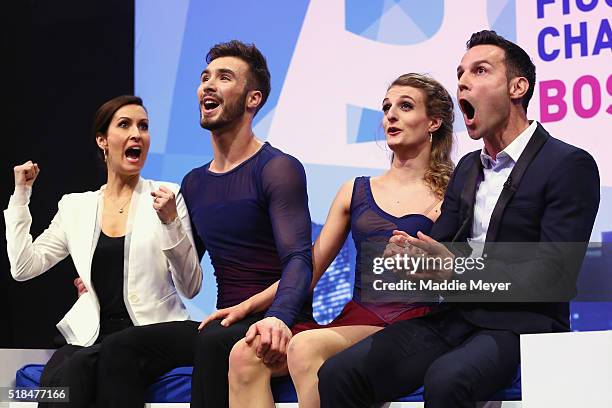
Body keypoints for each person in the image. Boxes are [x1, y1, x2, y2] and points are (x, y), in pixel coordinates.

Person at [316, 30, 600, 407]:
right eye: (460, 73)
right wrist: (413, 258)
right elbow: (442, 246)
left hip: (520, 324)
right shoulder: (467, 168)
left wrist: (457, 272)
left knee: (448, 379)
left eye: (480, 71)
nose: (463, 82)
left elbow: (554, 275)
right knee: (339, 372)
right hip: (453, 318)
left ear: (518, 87)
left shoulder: (568, 165)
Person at [95, 40, 314, 408]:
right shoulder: (194, 183)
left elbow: (299, 260)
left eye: (224, 78)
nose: (207, 86)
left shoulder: (277, 168)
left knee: (214, 342)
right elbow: (184, 271)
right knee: (120, 347)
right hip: (222, 322)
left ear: (253, 99)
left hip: (279, 320)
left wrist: (277, 319)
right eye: (204, 78)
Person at [226, 73, 455, 408]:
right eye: (387, 107)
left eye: (405, 106)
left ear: (434, 121)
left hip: (412, 324)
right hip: (357, 318)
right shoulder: (354, 190)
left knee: (305, 347)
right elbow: (309, 267)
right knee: (246, 353)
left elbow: (464, 268)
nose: (390, 115)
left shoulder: (451, 192)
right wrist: (249, 306)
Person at [3, 95, 203, 408]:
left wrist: (171, 224)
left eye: (144, 126)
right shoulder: (75, 207)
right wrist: (21, 195)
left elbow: (191, 287)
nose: (137, 133)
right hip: (93, 335)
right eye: (125, 125)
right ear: (103, 141)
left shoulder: (167, 196)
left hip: (155, 331)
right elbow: (23, 266)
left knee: (86, 364)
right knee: (58, 381)